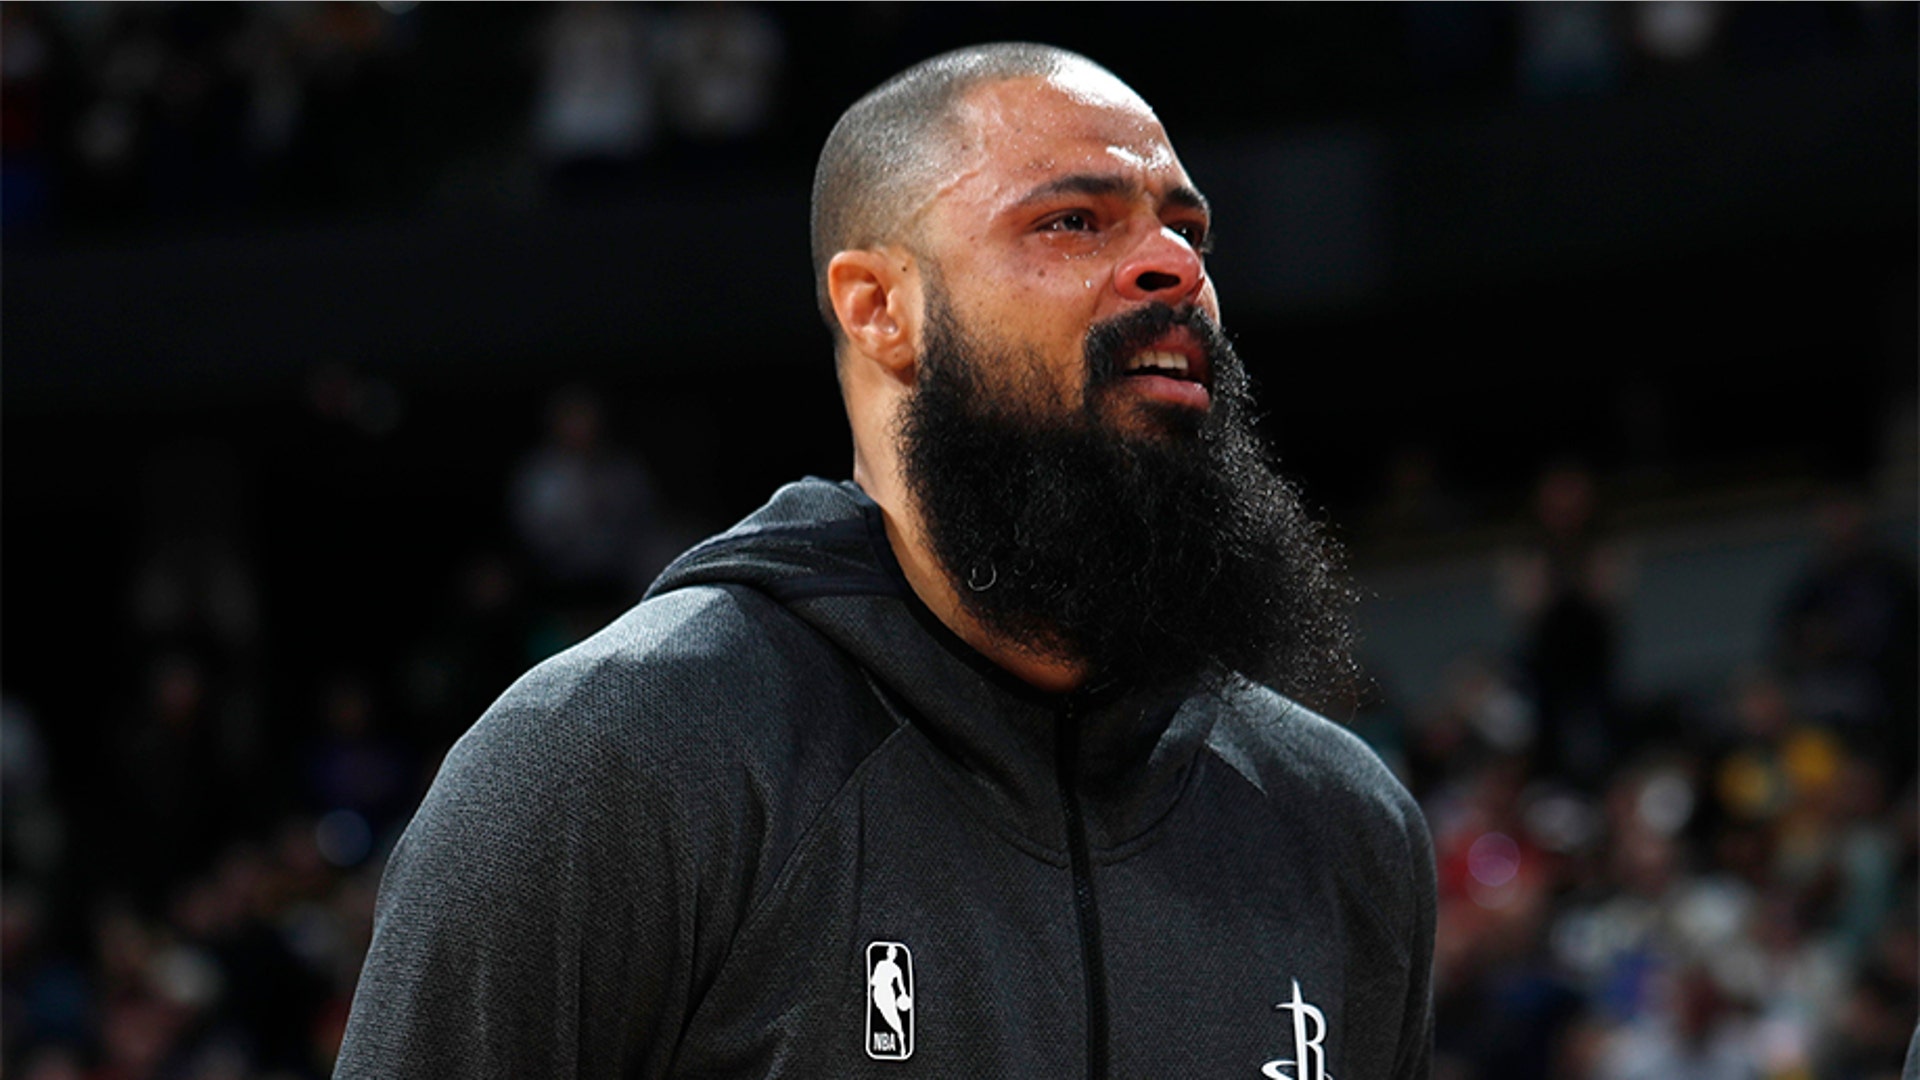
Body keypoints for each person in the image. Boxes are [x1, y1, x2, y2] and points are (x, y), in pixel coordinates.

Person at [335, 43, 1435, 1079]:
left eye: (1189, 231)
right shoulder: (619, 760)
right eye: (1072, 222)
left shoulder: (1341, 828)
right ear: (880, 308)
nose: (1171, 267)